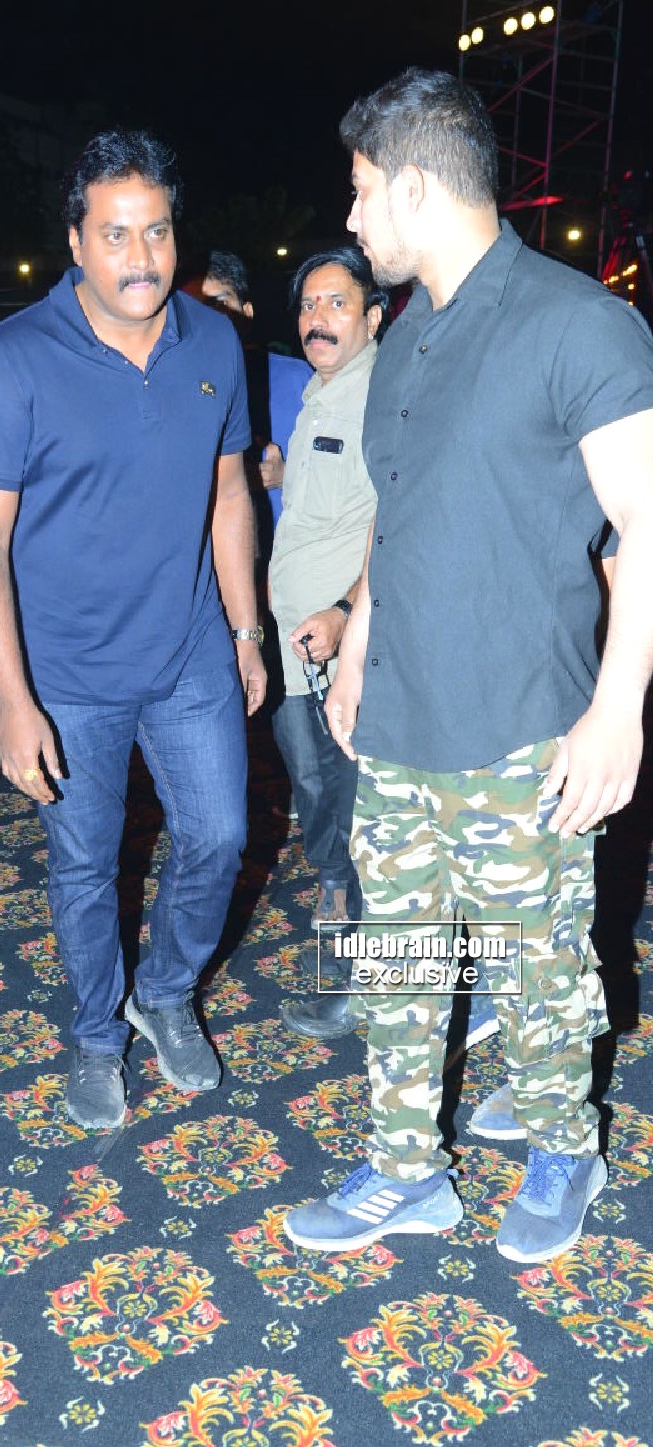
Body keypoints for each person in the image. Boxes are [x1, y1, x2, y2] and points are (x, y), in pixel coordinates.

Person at [284, 68, 653, 1265]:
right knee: (399, 964)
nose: (351, 219)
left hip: (521, 725)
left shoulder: (577, 322)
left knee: (537, 967)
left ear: (413, 187)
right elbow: (399, 517)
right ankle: (406, 1170)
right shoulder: (403, 337)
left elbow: (645, 523)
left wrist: (617, 711)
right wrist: (359, 643)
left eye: (360, 192)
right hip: (400, 719)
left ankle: (563, 1148)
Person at [0, 129, 266, 1129]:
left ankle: (162, 993)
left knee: (219, 836)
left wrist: (246, 630)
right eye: (116, 234)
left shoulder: (213, 340)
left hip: (189, 653)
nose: (141, 257)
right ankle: (95, 1035)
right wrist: (13, 700)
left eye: (157, 232)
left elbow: (228, 494)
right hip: (67, 675)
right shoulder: (11, 361)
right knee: (86, 866)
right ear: (76, 242)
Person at [266, 246, 385, 1037]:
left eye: (337, 303)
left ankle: (362, 980)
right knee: (320, 804)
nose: (318, 319)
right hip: (294, 648)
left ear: (373, 317)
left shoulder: (381, 395)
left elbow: (393, 519)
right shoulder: (320, 393)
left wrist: (346, 611)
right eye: (310, 304)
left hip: (344, 650)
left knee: (354, 813)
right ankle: (346, 946)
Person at [194, 250, 310, 530]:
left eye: (221, 303)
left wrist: (288, 476)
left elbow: (344, 471)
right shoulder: (175, 389)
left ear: (247, 312)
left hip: (287, 547)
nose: (210, 318)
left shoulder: (297, 378)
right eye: (198, 308)